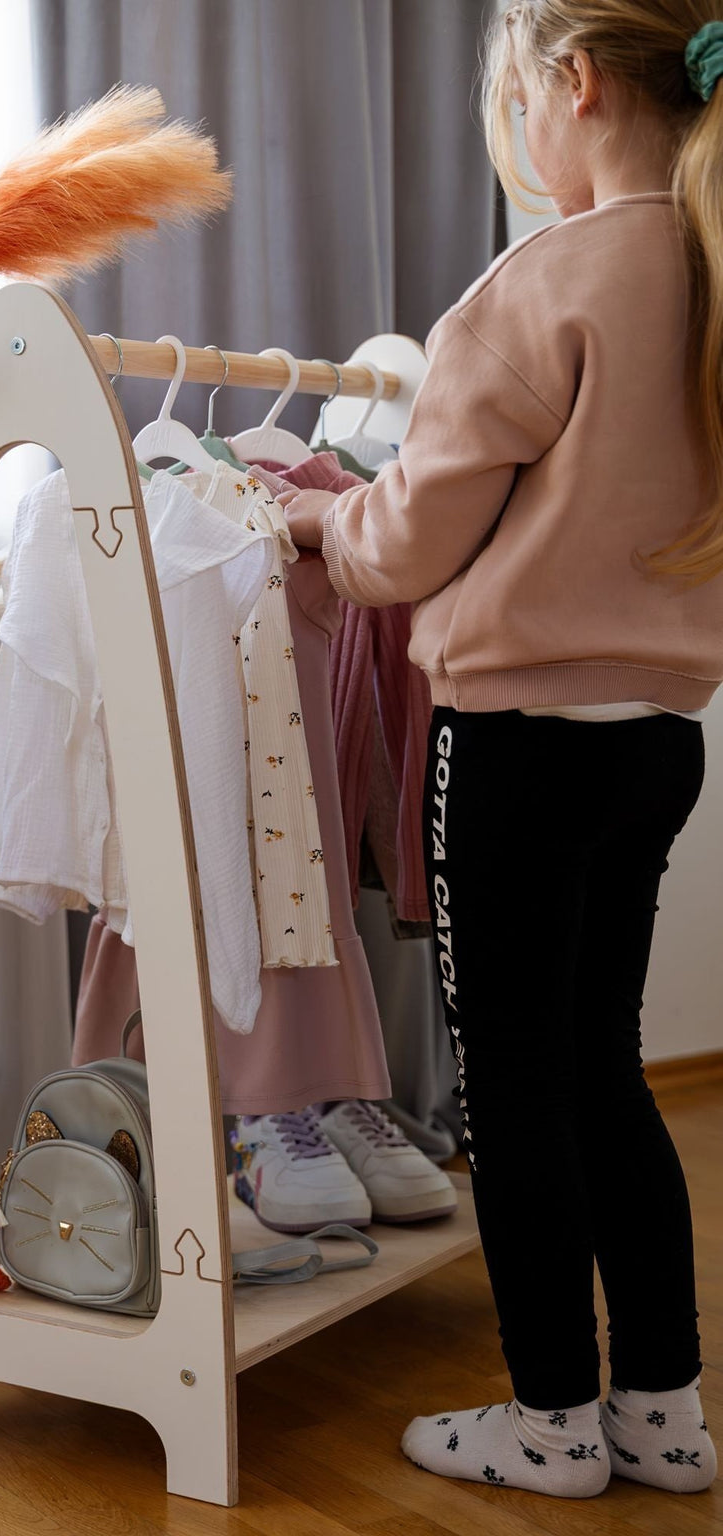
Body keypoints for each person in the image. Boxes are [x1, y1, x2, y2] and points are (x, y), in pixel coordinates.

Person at [279, 0, 723, 1501]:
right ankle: (663, 1413)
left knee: (516, 1088)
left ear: (575, 87)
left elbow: (403, 543)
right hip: (658, 743)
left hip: (518, 751)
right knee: (607, 1073)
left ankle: (548, 1423)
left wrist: (314, 521)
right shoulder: (716, 267)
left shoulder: (545, 283)